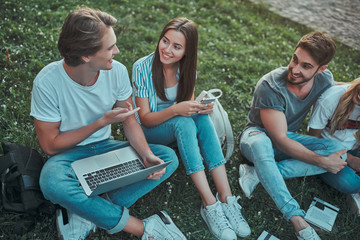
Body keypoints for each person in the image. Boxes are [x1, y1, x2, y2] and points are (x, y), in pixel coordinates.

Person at [30, 7, 186, 240]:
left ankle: (87, 209)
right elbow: (51, 146)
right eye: (110, 47)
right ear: (86, 56)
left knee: (166, 158)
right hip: (68, 158)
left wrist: (145, 155)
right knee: (51, 182)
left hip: (105, 149)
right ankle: (142, 227)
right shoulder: (47, 82)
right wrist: (101, 122)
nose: (117, 50)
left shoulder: (117, 71)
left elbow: (130, 119)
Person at [132, 17, 251, 240]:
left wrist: (200, 107)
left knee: (201, 120)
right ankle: (209, 204)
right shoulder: (142, 67)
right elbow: (145, 119)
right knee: (183, 120)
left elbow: (188, 106)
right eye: (165, 41)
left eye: (176, 47)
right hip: (150, 132)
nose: (166, 49)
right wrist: (178, 109)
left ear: (187, 51)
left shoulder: (188, 69)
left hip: (178, 126)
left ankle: (226, 198)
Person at [238, 31, 346, 240]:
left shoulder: (324, 80)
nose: (295, 69)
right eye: (294, 59)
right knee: (262, 144)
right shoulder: (269, 86)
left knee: (337, 151)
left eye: (306, 66)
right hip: (256, 136)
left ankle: (257, 174)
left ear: (321, 69)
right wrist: (321, 162)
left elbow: (339, 89)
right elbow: (279, 140)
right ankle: (297, 219)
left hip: (288, 139)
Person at [308, 78, 360, 215]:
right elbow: (314, 140)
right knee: (350, 183)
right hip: (327, 152)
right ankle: (353, 188)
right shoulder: (331, 99)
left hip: (354, 146)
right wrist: (348, 158)